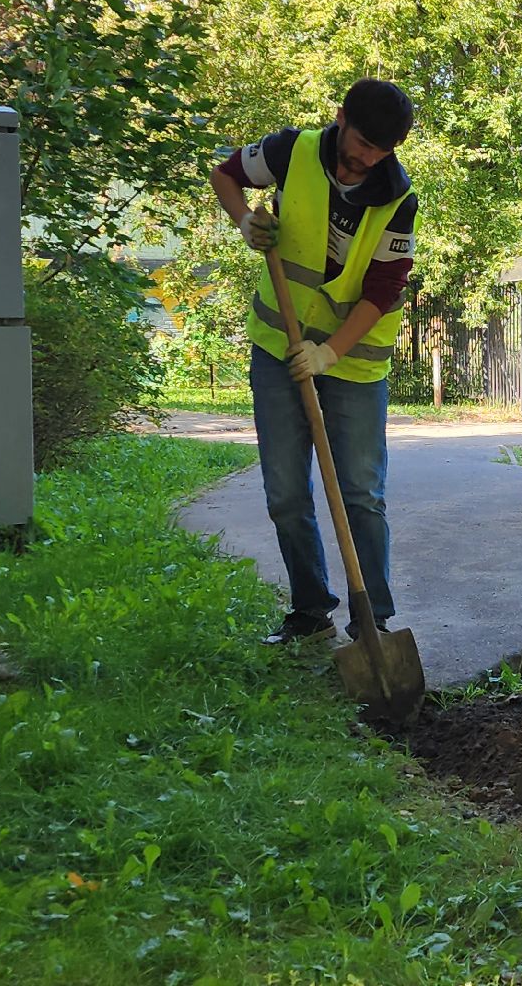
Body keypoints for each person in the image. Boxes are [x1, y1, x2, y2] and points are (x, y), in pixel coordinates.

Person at [209, 78, 419, 646]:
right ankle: (309, 611)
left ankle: (373, 620)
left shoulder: (397, 199)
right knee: (285, 491)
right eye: (362, 144)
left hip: (353, 362)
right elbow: (225, 175)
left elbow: (383, 289)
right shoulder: (291, 150)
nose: (367, 159)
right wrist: (245, 221)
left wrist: (329, 352)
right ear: (341, 117)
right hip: (280, 344)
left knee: (362, 493)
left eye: (381, 151)